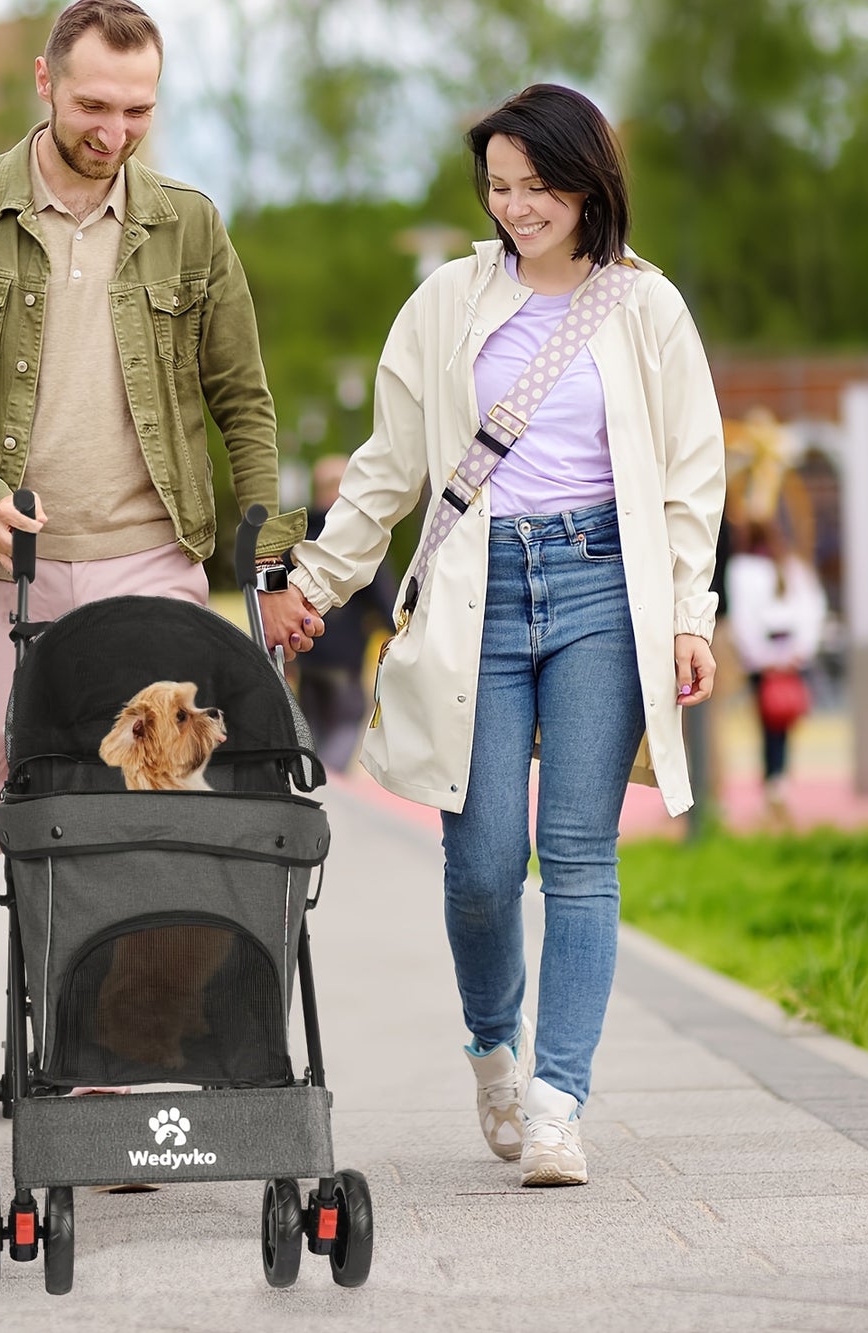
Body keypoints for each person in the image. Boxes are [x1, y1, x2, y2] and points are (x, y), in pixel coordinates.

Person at [0, 0, 324, 1169]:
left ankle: (110, 1045)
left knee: (148, 829)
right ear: (42, 81)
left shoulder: (188, 227)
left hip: (146, 558)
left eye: (137, 110)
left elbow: (244, 401)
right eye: (91, 105)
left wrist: (264, 555)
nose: (113, 131)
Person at [287, 84, 724, 1186]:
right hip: (479, 590)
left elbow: (688, 479)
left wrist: (687, 613)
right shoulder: (444, 301)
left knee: (577, 853)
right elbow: (387, 466)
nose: (518, 206)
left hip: (598, 593)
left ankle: (557, 1101)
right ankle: (493, 1043)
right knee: (481, 862)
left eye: (539, 185)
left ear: (590, 183)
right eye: (499, 185)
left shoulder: (645, 307)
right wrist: (314, 582)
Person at [289, 455, 397, 773]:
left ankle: (316, 789)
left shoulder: (297, 535)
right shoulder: (356, 538)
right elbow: (382, 596)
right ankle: (329, 792)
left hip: (306, 658)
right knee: (344, 729)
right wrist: (400, 632)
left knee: (313, 736)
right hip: (345, 661)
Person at [726, 518, 826, 824]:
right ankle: (777, 784)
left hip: (765, 662)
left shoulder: (742, 570)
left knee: (768, 725)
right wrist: (798, 653)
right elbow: (813, 609)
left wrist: (762, 657)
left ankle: (773, 785)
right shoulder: (793, 567)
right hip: (791, 657)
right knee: (781, 726)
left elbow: (743, 619)